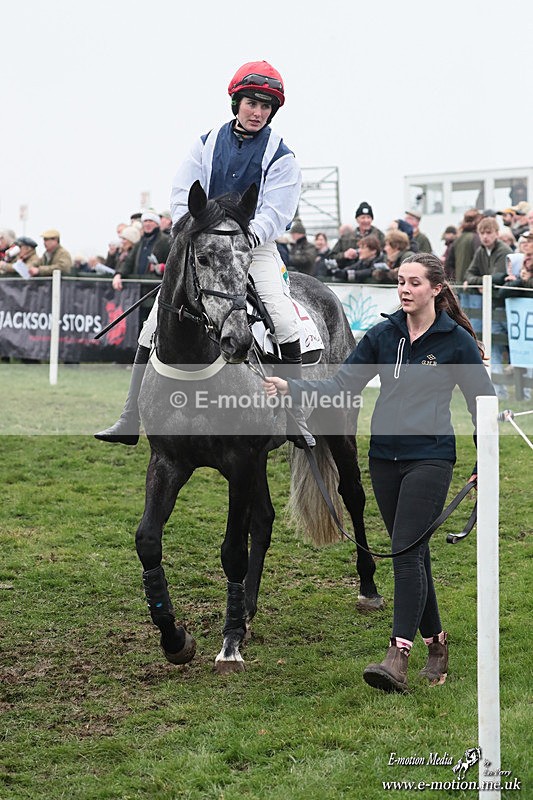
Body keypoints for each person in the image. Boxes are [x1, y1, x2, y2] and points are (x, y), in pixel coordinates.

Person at [263, 252, 496, 692]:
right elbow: (341, 385)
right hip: (384, 459)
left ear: (436, 289)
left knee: (406, 553)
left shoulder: (455, 342)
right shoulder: (383, 334)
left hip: (431, 458)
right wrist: (292, 386)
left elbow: (481, 405)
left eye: (414, 282)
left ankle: (397, 654)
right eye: (400, 282)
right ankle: (438, 644)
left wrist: (485, 462)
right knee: (414, 553)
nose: (405, 289)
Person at [95, 59, 315, 449]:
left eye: (265, 107)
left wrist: (240, 239)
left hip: (254, 246)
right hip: (204, 245)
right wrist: (194, 232)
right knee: (152, 325)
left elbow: (277, 212)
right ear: (237, 103)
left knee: (282, 319)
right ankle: (129, 416)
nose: (258, 112)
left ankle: (295, 417)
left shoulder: (282, 156)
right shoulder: (206, 142)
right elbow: (183, 193)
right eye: (251, 103)